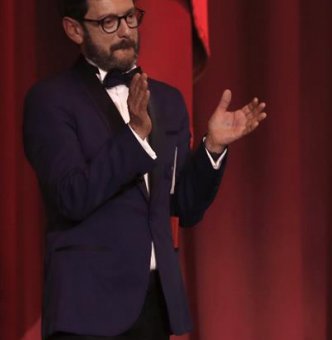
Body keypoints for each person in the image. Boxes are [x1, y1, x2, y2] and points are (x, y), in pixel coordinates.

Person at [23, 0, 266, 339]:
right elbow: (72, 196)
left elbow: (185, 206)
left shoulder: (167, 100)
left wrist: (213, 148)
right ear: (74, 29)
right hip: (88, 307)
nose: (125, 30)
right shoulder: (50, 100)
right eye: (109, 21)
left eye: (130, 17)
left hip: (155, 305)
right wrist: (135, 135)